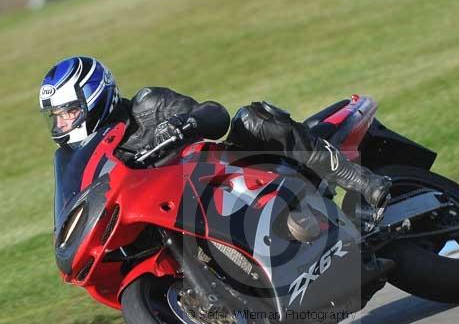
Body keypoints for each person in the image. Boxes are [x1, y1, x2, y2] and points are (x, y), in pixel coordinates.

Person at [39, 55, 390, 210]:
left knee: (252, 118)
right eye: (57, 117)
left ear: (94, 95)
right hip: (183, 207)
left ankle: (359, 179)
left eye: (70, 112)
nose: (63, 123)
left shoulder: (146, 105)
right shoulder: (92, 158)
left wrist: (183, 124)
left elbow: (214, 114)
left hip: (230, 174)